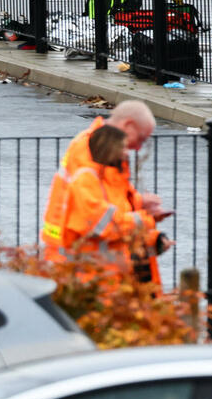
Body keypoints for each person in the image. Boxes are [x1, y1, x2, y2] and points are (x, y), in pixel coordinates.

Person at [41, 100, 171, 265]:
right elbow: (97, 216)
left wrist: (138, 202)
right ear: (128, 125)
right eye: (141, 138)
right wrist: (145, 219)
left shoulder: (102, 149)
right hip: (75, 255)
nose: (138, 148)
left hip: (85, 253)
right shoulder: (91, 151)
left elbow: (108, 198)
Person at [58, 125, 171, 284]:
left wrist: (156, 240)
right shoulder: (86, 181)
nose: (127, 152)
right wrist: (146, 220)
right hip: (93, 280)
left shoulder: (110, 181)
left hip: (111, 278)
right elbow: (105, 226)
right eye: (123, 147)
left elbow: (120, 231)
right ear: (109, 149)